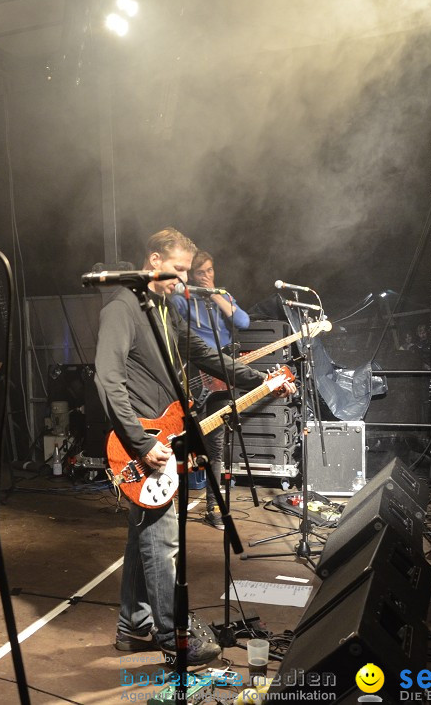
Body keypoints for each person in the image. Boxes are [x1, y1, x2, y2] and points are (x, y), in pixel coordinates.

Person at [95, 228, 290, 666]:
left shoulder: (163, 308)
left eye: (187, 272)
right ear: (153, 260)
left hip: (163, 437)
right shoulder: (122, 310)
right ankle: (172, 636)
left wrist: (261, 381)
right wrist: (141, 442)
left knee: (141, 539)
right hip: (144, 444)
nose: (182, 281)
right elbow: (107, 381)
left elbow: (206, 354)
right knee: (162, 543)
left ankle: (133, 627)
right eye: (177, 271)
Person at [169, 250, 250, 530]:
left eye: (210, 270)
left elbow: (243, 322)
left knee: (217, 446)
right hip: (194, 376)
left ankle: (213, 508)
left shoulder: (222, 296)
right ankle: (167, 505)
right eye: (200, 272)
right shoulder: (181, 298)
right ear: (191, 274)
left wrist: (214, 294)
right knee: (183, 442)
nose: (206, 276)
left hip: (220, 379)